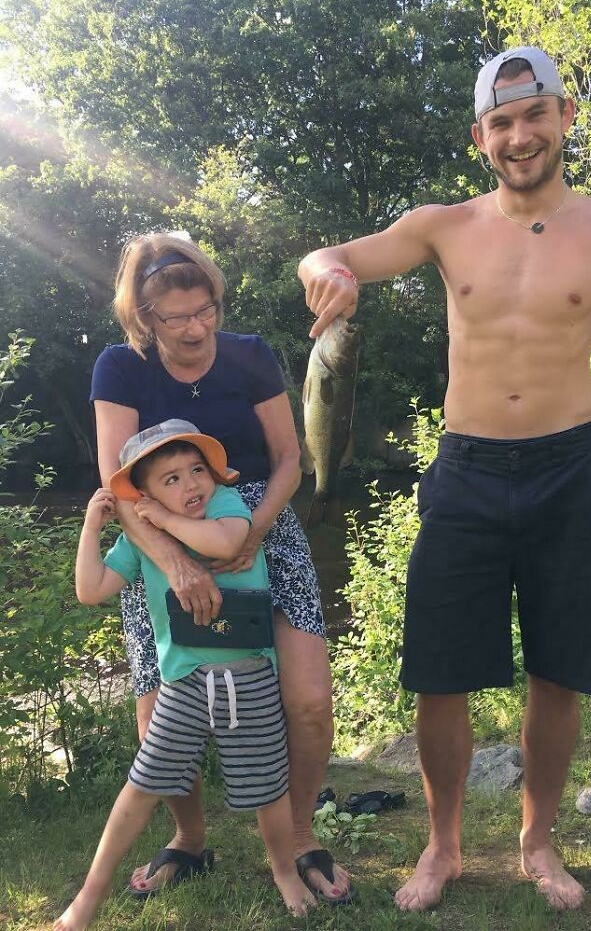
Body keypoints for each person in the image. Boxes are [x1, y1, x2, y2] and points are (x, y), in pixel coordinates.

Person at [298, 46, 591, 912]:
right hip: (467, 469)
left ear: (565, 116)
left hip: (571, 467)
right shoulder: (442, 226)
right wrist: (326, 272)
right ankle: (442, 845)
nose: (520, 136)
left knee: (559, 670)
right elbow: (330, 254)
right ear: (480, 137)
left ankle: (537, 840)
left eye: (534, 115)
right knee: (440, 671)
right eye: (501, 122)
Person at [90, 234, 352, 903]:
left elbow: (290, 458)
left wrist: (253, 532)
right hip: (158, 535)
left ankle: (299, 836)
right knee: (158, 717)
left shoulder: (251, 354)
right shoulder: (120, 367)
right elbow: (117, 484)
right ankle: (188, 838)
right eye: (177, 317)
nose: (196, 328)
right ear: (145, 316)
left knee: (309, 701)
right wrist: (179, 562)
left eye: (205, 310)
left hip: (261, 521)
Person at [55, 421, 317, 930]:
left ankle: (285, 872)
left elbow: (226, 543)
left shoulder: (227, 506)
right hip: (183, 684)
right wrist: (92, 527)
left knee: (268, 788)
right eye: (170, 479)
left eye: (197, 470)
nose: (191, 484)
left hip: (250, 677)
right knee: (143, 783)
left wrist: (162, 518)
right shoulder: (141, 543)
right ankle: (88, 897)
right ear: (144, 495)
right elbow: (90, 589)